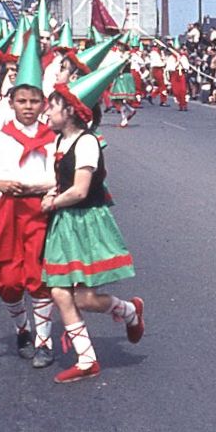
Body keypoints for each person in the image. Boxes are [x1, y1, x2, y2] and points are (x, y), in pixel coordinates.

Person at [41, 58, 145, 383]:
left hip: (85, 221)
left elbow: (80, 190)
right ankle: (87, 360)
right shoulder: (60, 141)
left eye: (53, 107)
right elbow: (56, 181)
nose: (48, 112)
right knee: (59, 292)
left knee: (84, 298)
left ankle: (129, 310)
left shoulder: (86, 143)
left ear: (70, 111)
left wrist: (52, 202)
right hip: (64, 221)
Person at [0, 44, 57, 367]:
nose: (28, 107)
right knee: (7, 281)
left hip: (41, 212)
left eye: (34, 101)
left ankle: (44, 342)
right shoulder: (0, 138)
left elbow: (62, 177)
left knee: (39, 277)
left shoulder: (52, 138)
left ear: (43, 103)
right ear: (11, 102)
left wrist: (44, 187)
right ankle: (22, 329)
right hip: (8, 213)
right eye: (22, 101)